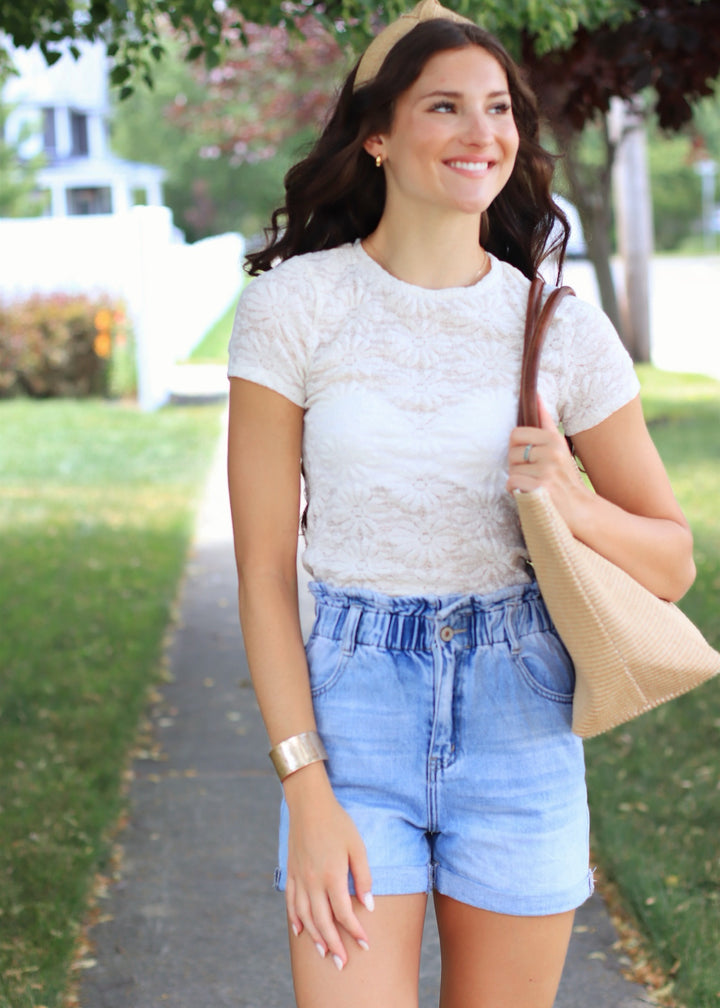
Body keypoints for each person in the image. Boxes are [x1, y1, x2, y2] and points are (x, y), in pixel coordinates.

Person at [226, 2, 696, 1005]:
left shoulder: (559, 328)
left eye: (498, 110)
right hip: (353, 718)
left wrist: (572, 499)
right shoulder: (293, 307)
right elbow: (265, 572)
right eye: (446, 107)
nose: (482, 134)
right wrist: (305, 786)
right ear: (379, 135)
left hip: (520, 716)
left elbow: (671, 562)